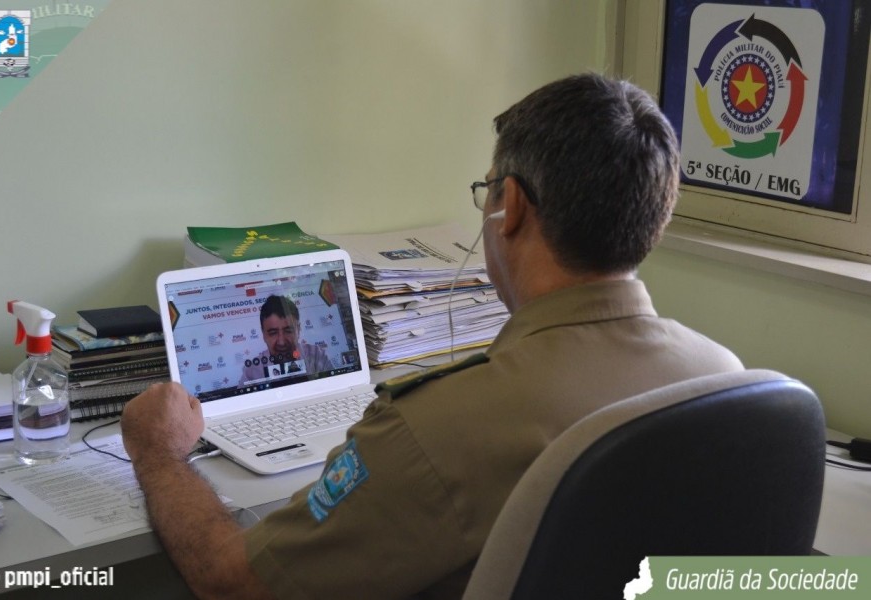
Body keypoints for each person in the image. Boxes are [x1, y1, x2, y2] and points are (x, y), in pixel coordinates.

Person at [121, 73, 743, 599]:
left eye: (487, 191)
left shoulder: (437, 427)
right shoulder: (725, 377)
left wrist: (157, 452)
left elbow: (231, 580)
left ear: (512, 208)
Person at [239, 295, 333, 385]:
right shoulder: (251, 371)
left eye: (288, 331)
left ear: (298, 330)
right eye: (273, 333)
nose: (281, 342)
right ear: (263, 334)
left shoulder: (316, 355)